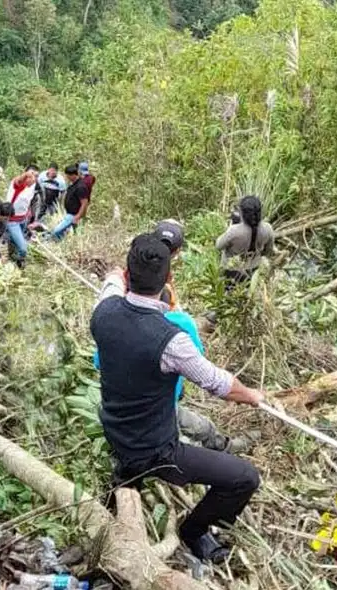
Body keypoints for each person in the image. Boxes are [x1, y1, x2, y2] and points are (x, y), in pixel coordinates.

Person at [91, 233, 265, 563]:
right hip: (155, 451)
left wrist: (115, 273)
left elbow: (111, 283)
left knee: (141, 451)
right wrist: (253, 395)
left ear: (128, 276)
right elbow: (218, 383)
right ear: (169, 279)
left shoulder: (103, 311)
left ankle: (125, 480)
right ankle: (193, 532)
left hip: (114, 429)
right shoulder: (172, 340)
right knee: (244, 478)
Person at [150, 219, 256, 453]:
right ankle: (219, 447)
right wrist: (250, 395)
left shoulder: (115, 311)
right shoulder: (180, 325)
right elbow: (205, 371)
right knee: (196, 427)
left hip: (132, 396)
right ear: (178, 250)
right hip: (159, 398)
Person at [215, 195, 275, 285]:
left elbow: (218, 245)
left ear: (241, 213)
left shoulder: (234, 231)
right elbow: (268, 251)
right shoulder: (268, 228)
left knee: (229, 292)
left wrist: (230, 227)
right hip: (253, 270)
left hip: (232, 271)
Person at [5, 165, 39, 267]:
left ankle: (12, 258)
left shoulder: (33, 186)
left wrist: (31, 217)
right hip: (12, 221)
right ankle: (18, 263)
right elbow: (18, 180)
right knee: (23, 248)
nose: (33, 178)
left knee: (14, 242)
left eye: (35, 176)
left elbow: (28, 201)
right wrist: (26, 175)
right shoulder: (18, 184)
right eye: (30, 175)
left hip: (23, 219)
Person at [50, 164, 90, 239]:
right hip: (70, 213)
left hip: (74, 215)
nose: (67, 177)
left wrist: (77, 216)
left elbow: (84, 203)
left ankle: (59, 241)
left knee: (56, 231)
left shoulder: (80, 187)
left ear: (73, 175)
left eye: (68, 176)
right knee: (76, 234)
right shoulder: (73, 184)